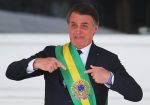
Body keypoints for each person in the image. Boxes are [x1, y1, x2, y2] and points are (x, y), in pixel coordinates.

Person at [6, 3, 143, 105]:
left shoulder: (108, 58)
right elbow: (11, 73)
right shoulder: (52, 53)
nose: (78, 31)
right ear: (68, 27)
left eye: (84, 26)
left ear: (95, 29)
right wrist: (36, 63)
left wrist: (109, 77)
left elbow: (136, 94)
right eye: (73, 25)